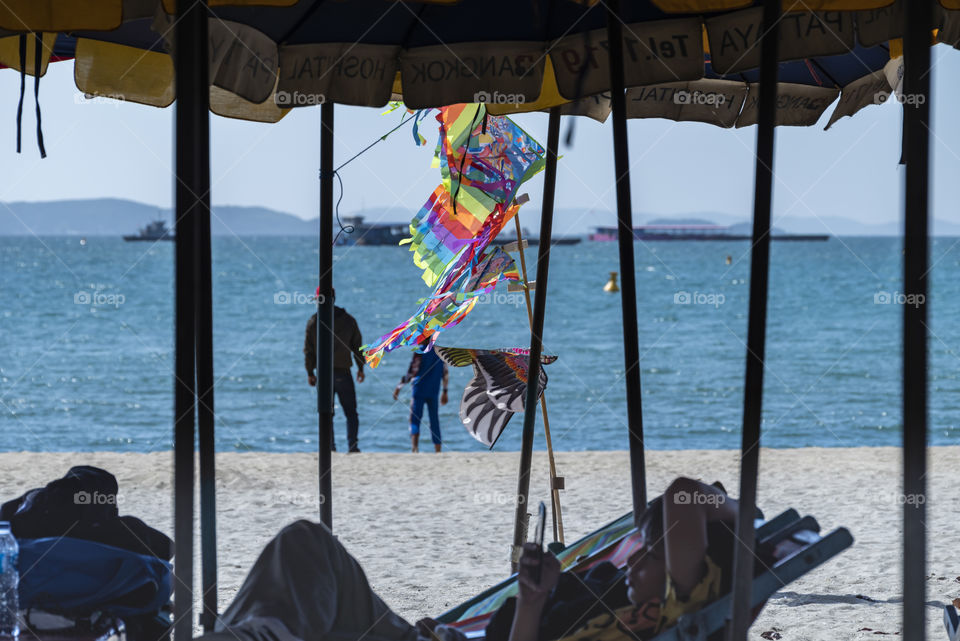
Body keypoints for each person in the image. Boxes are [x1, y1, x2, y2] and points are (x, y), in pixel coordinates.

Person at [196, 478, 739, 641]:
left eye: (646, 554)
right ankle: (250, 633)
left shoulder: (679, 599)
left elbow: (683, 494)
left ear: (681, 570)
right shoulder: (622, 609)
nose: (631, 562)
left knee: (305, 545)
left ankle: (254, 635)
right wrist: (533, 597)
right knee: (304, 553)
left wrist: (735, 508)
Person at [304, 287, 365, 453]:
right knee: (351, 412)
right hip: (343, 372)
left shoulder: (314, 322)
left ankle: (329, 447)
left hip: (324, 374)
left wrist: (310, 372)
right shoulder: (348, 319)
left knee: (326, 413)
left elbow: (309, 350)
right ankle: (353, 446)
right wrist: (361, 367)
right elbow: (357, 346)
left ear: (319, 300)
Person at [392, 347, 449, 452]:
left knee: (414, 419)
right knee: (434, 420)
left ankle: (415, 448)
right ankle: (438, 450)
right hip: (434, 390)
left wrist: (398, 388)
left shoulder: (419, 352)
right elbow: (445, 373)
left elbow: (411, 372)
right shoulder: (440, 352)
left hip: (419, 389)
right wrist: (445, 391)